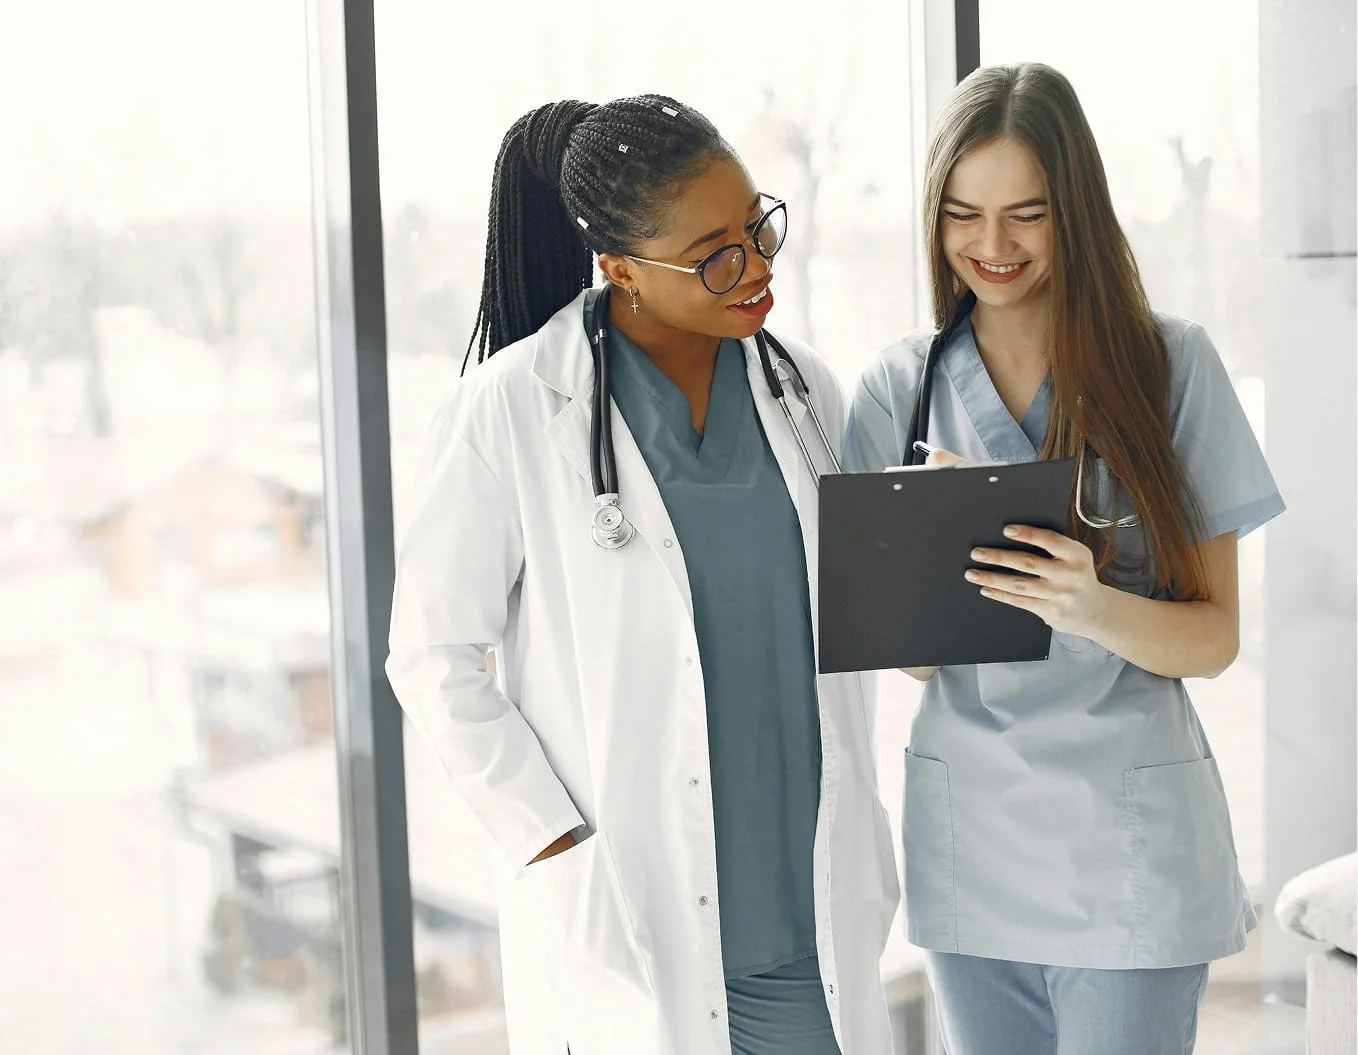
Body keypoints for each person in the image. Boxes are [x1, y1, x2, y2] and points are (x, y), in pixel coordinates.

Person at [386, 95, 899, 1055]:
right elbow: (429, 654)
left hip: (813, 916)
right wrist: (551, 841)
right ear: (619, 266)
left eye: (759, 227)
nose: (756, 269)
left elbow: (865, 611)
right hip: (633, 923)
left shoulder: (804, 392)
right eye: (715, 253)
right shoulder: (509, 411)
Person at [841, 63, 1285, 1055]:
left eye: (1025, 214)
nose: (989, 246)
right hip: (973, 846)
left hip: (1124, 848)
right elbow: (909, 660)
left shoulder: (1169, 368)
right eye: (961, 213)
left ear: (1073, 210)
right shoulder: (896, 388)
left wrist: (1082, 599)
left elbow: (1210, 638)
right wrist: (937, 554)